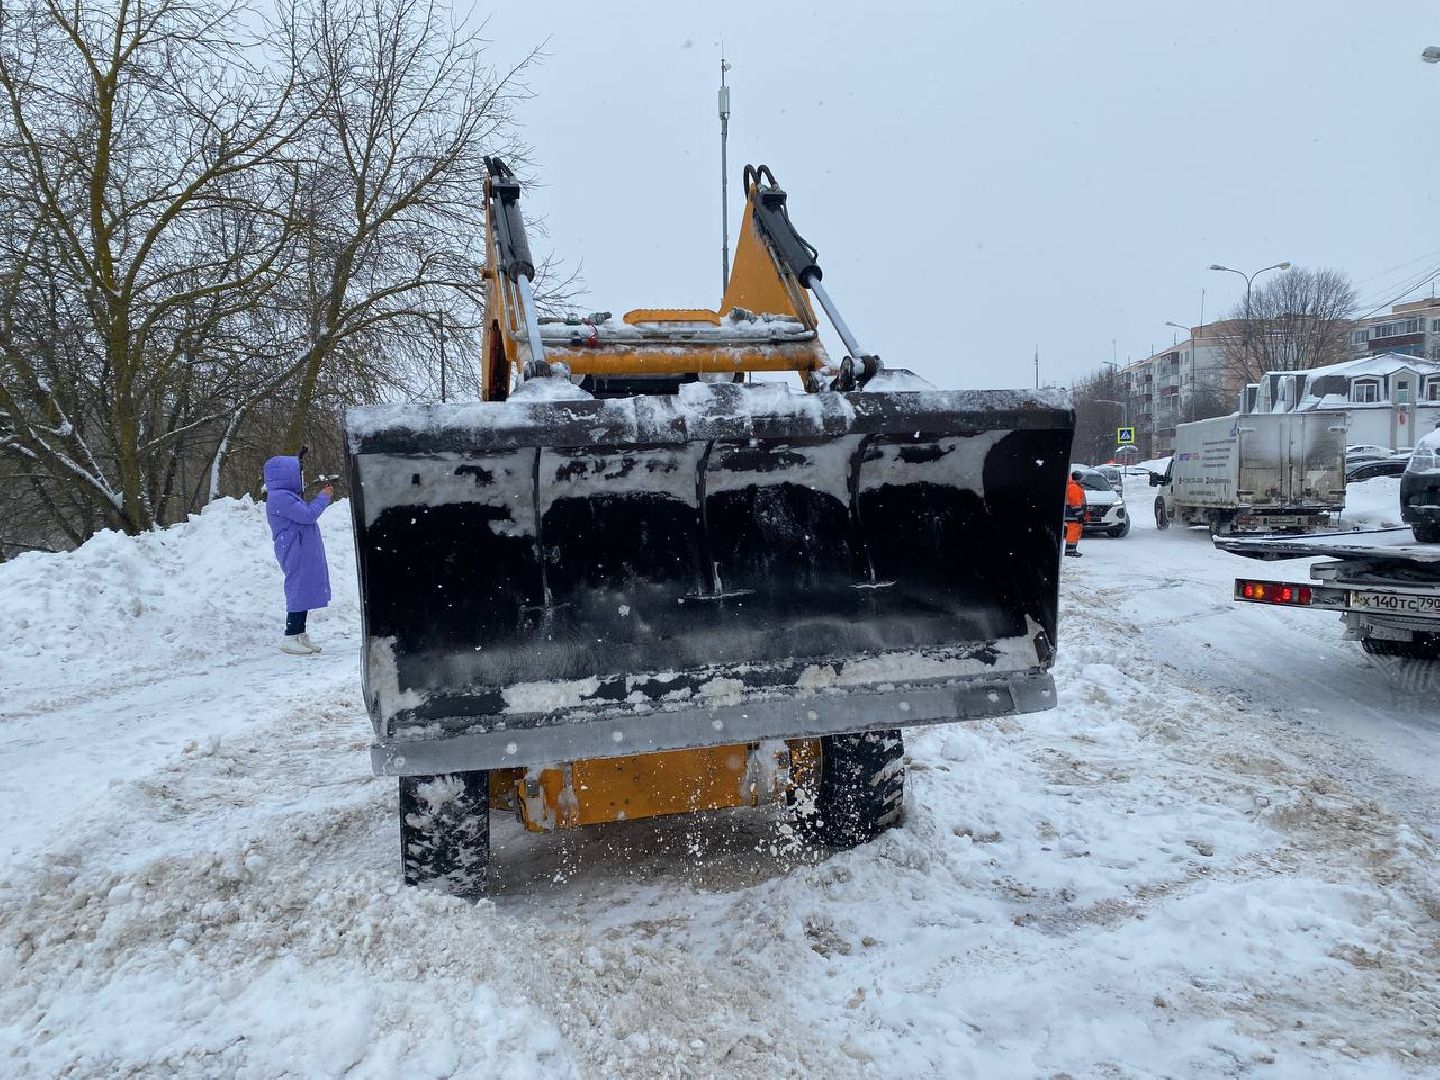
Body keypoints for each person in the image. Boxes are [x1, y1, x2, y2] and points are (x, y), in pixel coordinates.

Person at [263, 451, 334, 654]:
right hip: (295, 549)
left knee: (304, 588)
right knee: (298, 588)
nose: (300, 477)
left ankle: (300, 634)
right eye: (297, 472)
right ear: (286, 475)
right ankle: (290, 635)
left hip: (300, 548)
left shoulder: (287, 496)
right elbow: (308, 515)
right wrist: (323, 497)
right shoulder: (280, 498)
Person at [1064, 469, 1086, 558]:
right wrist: (1079, 514)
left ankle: (1072, 550)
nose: (1082, 480)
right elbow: (1075, 503)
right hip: (1073, 514)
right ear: (1077, 479)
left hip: (1073, 513)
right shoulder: (1074, 488)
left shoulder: (1075, 486)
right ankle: (1070, 551)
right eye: (1081, 478)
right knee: (1073, 532)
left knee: (1074, 532)